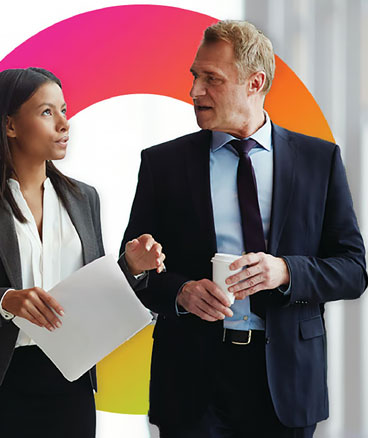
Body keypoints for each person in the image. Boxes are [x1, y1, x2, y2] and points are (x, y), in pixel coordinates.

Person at [120, 20, 367, 438]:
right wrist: (179, 291)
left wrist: (285, 271)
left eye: (211, 79)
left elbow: (353, 270)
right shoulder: (162, 164)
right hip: (191, 383)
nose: (195, 91)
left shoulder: (318, 160)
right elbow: (135, 272)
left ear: (255, 82)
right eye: (195, 76)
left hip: (287, 384)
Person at [0, 67, 166, 437]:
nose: (64, 124)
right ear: (9, 125)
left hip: (70, 384)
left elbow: (94, 292)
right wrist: (6, 301)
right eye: (47, 112)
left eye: (64, 110)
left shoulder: (85, 199)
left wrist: (130, 268)